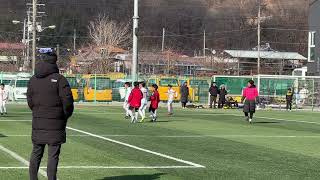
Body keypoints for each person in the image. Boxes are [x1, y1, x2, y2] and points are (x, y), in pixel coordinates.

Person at [27, 52, 74, 180]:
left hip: (38, 122)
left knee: (36, 152)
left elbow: (30, 102)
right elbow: (68, 102)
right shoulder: (60, 79)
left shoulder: (33, 79)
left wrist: (38, 112)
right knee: (53, 155)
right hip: (56, 123)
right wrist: (64, 115)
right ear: (55, 62)